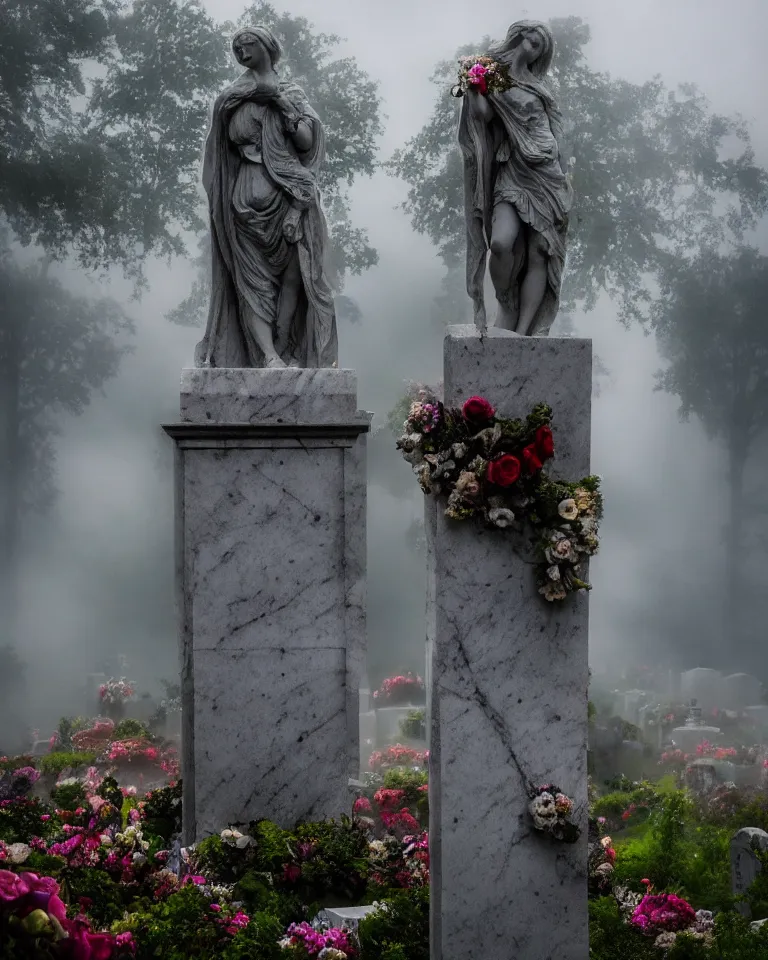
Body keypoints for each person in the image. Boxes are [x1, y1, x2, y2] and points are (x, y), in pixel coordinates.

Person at [196, 26, 337, 369]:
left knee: (295, 277)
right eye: (236, 48)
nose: (241, 51)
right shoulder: (232, 97)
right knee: (252, 284)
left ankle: (283, 345)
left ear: (266, 46)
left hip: (289, 197)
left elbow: (306, 142)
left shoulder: (291, 92)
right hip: (244, 202)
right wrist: (245, 101)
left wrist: (278, 102)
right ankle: (269, 356)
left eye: (247, 44)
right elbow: (222, 147)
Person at [459, 20, 573, 336]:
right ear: (519, 36)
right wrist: (472, 82)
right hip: (513, 171)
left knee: (540, 251)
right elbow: (482, 114)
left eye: (541, 47)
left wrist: (565, 171)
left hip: (548, 175)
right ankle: (506, 304)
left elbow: (557, 129)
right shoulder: (493, 76)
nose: (534, 48)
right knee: (500, 242)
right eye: (532, 39)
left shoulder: (540, 86)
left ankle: (523, 332)